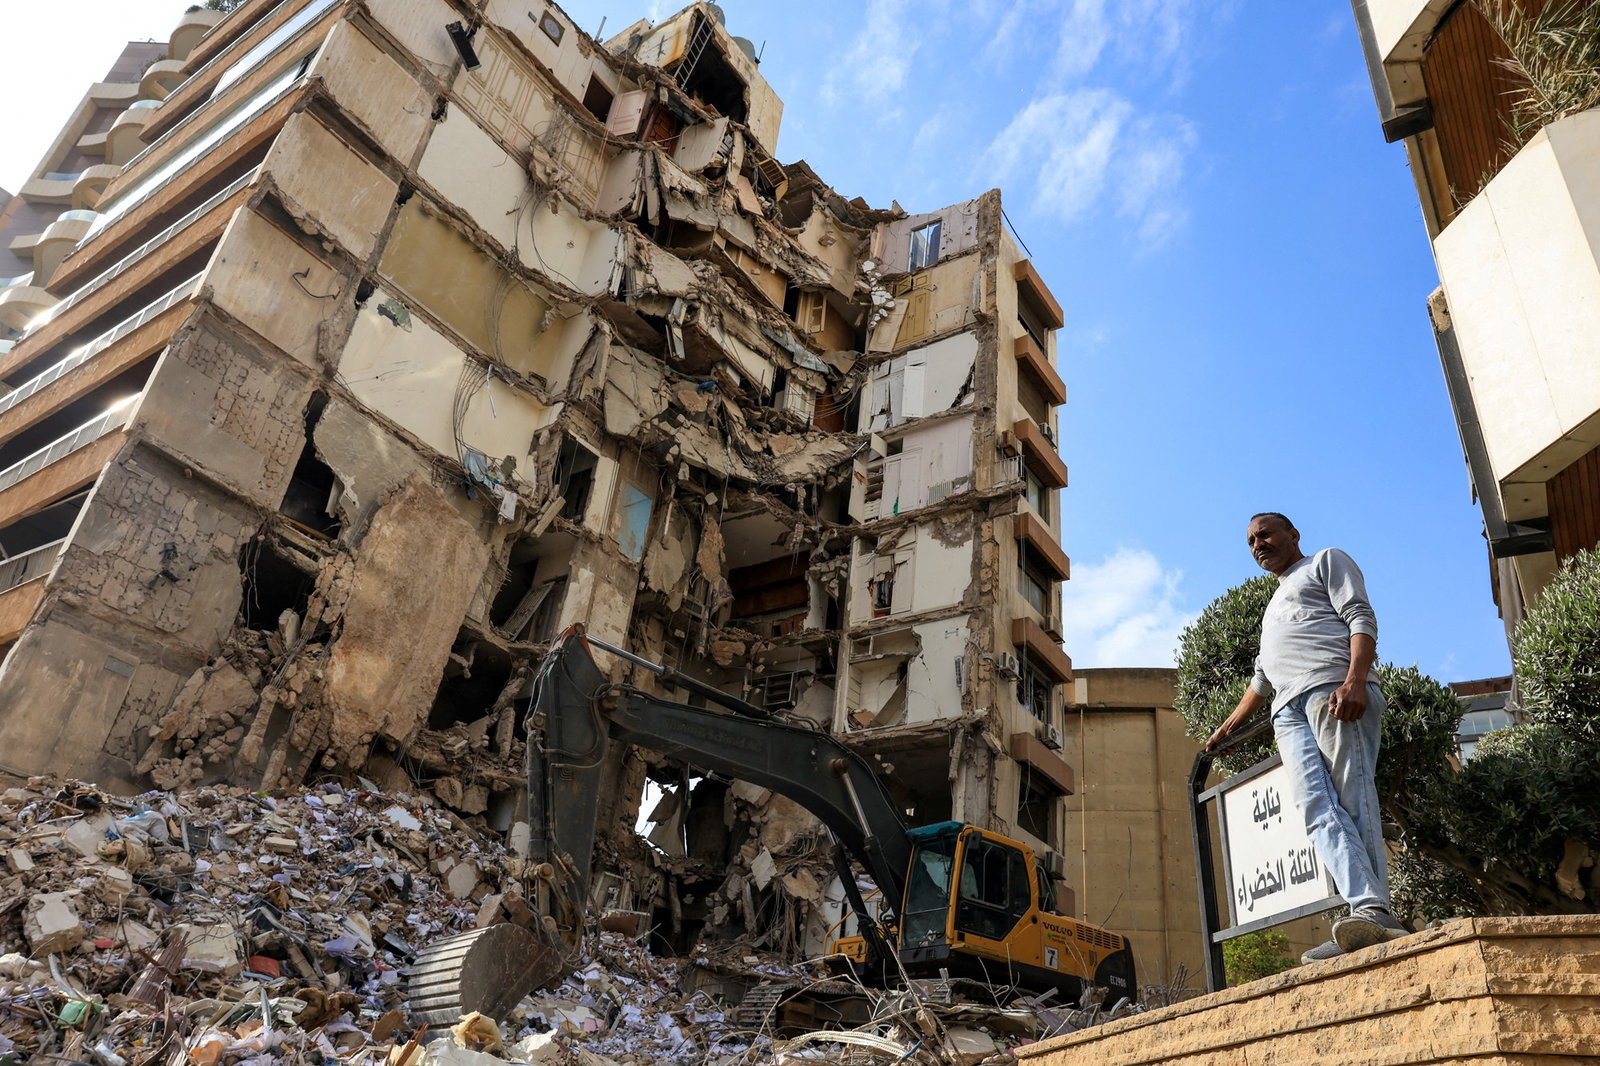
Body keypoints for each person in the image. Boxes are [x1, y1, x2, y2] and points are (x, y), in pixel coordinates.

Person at [1206, 513, 1406, 964]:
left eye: (1266, 534)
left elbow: (1360, 615)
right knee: (1315, 808)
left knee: (1353, 797)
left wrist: (1355, 680)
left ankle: (1375, 912)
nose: (1258, 544)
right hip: (1286, 711)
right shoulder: (1274, 603)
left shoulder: (1325, 562)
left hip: (1333, 690)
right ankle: (1365, 911)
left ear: (1293, 535)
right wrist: (1228, 728)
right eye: (1251, 541)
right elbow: (1262, 677)